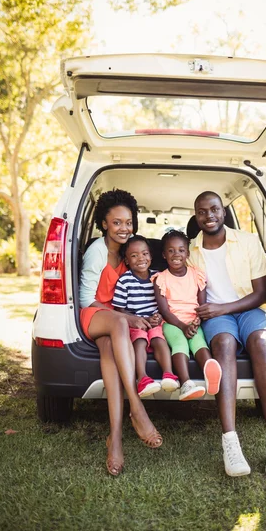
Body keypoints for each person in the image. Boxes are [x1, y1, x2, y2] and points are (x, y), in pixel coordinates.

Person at [189, 191, 266, 479]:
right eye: (202, 211)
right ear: (196, 216)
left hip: (246, 309)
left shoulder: (246, 241)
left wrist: (223, 308)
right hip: (216, 318)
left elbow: (260, 294)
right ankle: (230, 442)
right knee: (223, 344)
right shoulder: (191, 250)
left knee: (261, 341)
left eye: (215, 209)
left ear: (223, 212)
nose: (209, 216)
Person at [79, 189, 163, 477]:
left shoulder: (129, 255)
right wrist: (128, 317)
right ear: (104, 224)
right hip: (93, 314)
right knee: (118, 325)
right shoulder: (97, 252)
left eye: (128, 222)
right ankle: (137, 408)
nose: (124, 228)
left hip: (112, 319)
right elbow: (85, 297)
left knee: (109, 354)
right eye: (116, 223)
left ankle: (114, 437)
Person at [152, 230, 222, 401]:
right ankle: (185, 383)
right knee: (180, 343)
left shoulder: (196, 274)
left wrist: (196, 322)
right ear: (164, 254)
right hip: (172, 322)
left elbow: (202, 305)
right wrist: (183, 326)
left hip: (193, 321)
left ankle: (210, 373)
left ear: (188, 253)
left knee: (199, 343)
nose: (176, 254)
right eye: (171, 250)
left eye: (181, 250)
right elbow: (165, 311)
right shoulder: (161, 279)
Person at [112, 235, 180, 397]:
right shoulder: (125, 281)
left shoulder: (158, 277)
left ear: (151, 256)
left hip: (156, 321)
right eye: (134, 256)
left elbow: (166, 302)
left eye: (145, 254)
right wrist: (136, 320)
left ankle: (168, 374)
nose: (140, 258)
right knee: (140, 340)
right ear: (127, 261)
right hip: (136, 323)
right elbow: (119, 310)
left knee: (158, 338)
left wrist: (157, 316)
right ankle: (142, 378)